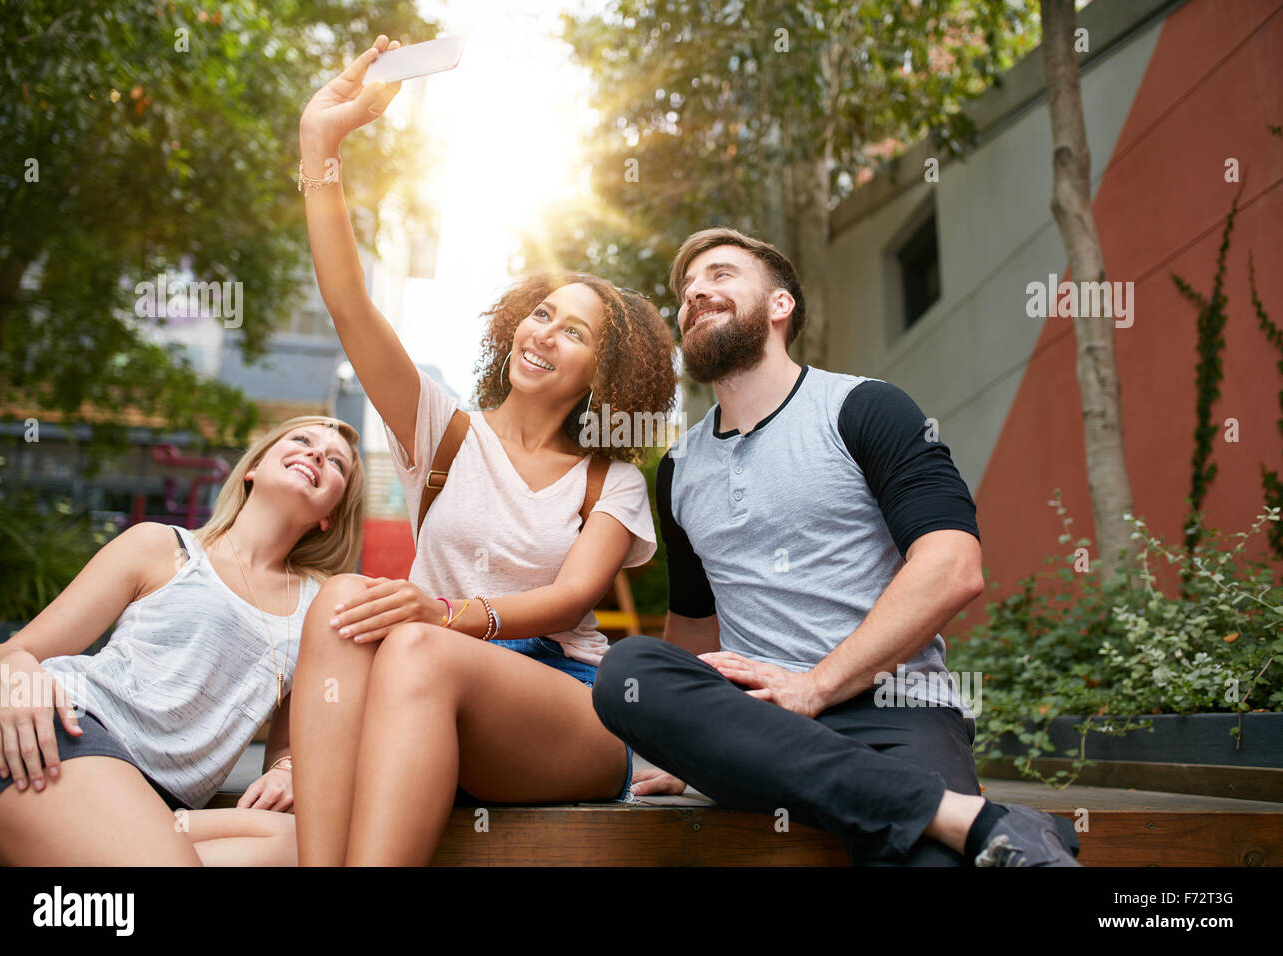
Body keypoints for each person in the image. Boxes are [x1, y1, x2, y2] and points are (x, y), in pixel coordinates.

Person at [291, 35, 678, 865]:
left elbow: (577, 596)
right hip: (415, 686)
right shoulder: (443, 430)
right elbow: (350, 302)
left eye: (575, 332)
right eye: (542, 313)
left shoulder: (606, 479)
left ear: (601, 374)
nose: (545, 334)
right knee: (336, 605)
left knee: (420, 646)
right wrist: (320, 148)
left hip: (559, 706)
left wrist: (455, 616)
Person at [593, 227, 1083, 867]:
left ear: (780, 306)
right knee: (628, 671)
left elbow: (952, 567)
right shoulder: (679, 468)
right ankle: (971, 818)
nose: (695, 293)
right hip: (757, 724)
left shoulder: (865, 408)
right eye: (686, 290)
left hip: (894, 709)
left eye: (720, 275)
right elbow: (692, 626)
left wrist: (817, 686)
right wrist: (681, 748)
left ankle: (936, 816)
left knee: (929, 862)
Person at [0, 417, 366, 865]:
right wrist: (19, 674)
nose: (317, 454)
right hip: (62, 733)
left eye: (336, 461)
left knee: (301, 845)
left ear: (330, 516)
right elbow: (8, 653)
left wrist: (287, 771)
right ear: (253, 469)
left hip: (164, 806)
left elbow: (289, 742)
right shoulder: (162, 548)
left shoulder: (319, 608)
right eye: (302, 440)